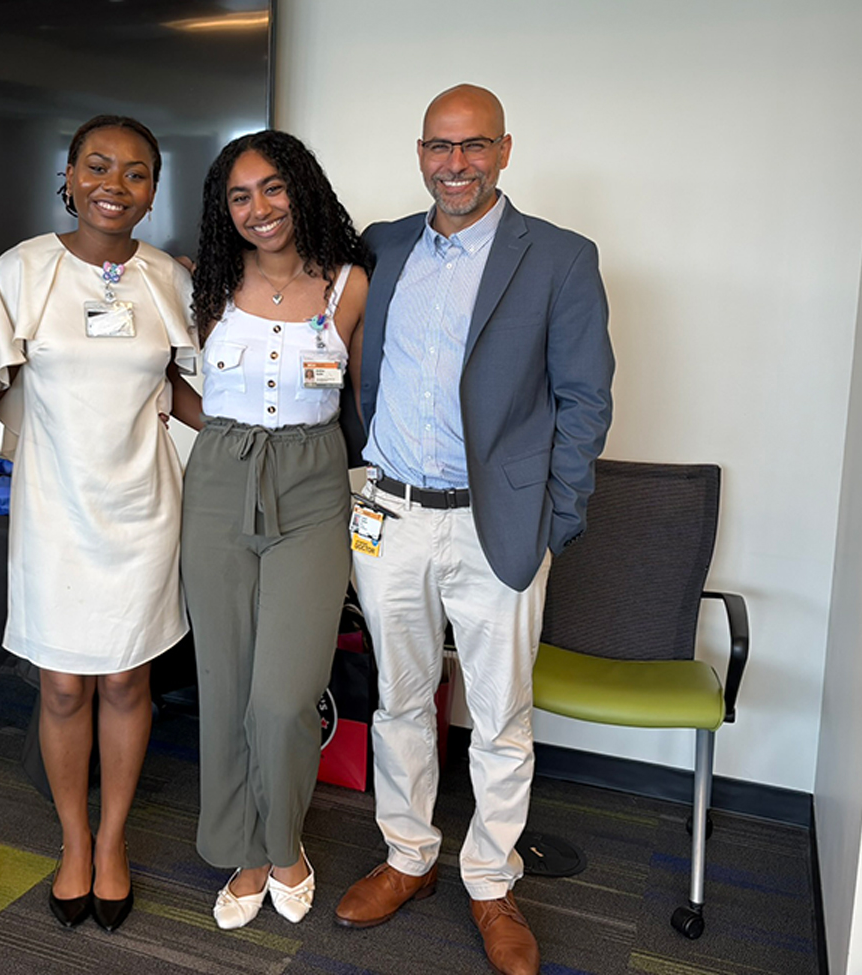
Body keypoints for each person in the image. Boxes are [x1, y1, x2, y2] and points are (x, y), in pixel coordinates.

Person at [334, 85, 614, 975]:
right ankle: (408, 856)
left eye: (475, 146)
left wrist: (554, 521)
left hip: (499, 524)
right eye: (439, 147)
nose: (455, 164)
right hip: (390, 515)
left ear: (504, 151)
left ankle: (491, 880)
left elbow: (584, 401)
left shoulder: (561, 258)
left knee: (500, 717)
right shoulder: (380, 246)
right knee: (400, 697)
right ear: (420, 152)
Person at [0, 115, 201, 933]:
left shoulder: (168, 282)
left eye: (138, 171)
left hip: (144, 509)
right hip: (54, 510)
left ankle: (113, 843)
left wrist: (246, 438)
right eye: (99, 166)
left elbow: (183, 384)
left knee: (126, 680)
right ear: (69, 176)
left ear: (152, 192)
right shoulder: (21, 272)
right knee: (65, 683)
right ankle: (72, 841)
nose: (116, 183)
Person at [183, 131, 370, 930]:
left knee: (285, 695)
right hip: (221, 481)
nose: (258, 209)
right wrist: (225, 433)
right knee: (225, 682)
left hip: (314, 484)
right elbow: (165, 386)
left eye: (272, 188)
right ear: (223, 210)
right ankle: (246, 849)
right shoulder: (201, 282)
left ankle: (285, 837)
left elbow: (369, 399)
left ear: (302, 188)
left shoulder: (350, 285)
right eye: (239, 195)